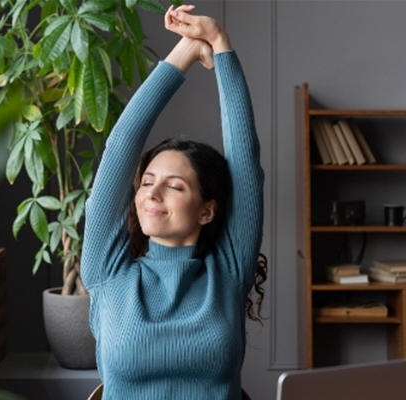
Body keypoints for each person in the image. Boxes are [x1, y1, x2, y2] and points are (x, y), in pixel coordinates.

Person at [82, 6, 266, 399]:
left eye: (175, 185)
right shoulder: (108, 271)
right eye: (147, 182)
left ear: (207, 210)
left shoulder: (228, 272)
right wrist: (181, 55)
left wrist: (219, 43)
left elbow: (245, 159)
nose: (152, 192)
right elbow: (119, 149)